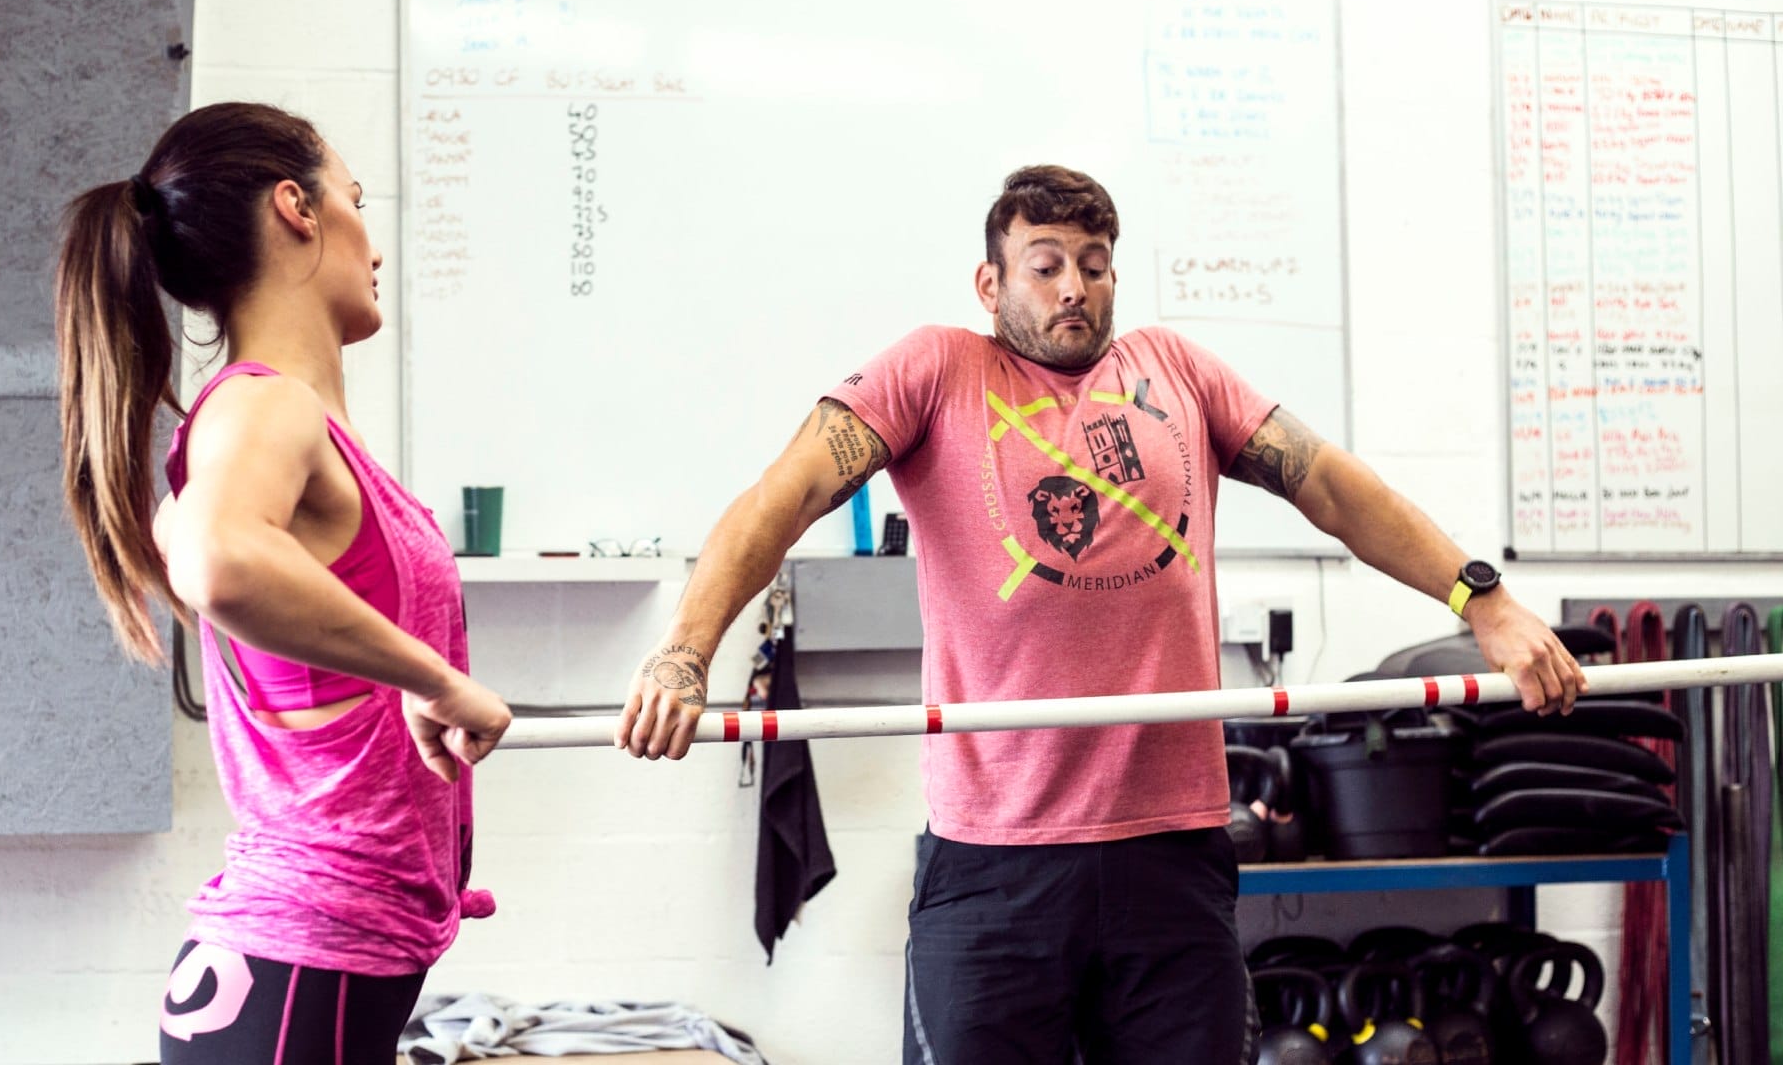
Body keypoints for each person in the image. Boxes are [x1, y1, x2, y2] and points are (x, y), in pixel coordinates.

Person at [618, 165, 1586, 1062]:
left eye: (1094, 265)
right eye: (1045, 266)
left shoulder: (1177, 372)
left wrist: (1482, 598)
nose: (1074, 286)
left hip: (1169, 864)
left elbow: (1326, 483)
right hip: (994, 869)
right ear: (990, 286)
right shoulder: (936, 373)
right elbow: (779, 498)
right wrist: (685, 653)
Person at [54, 102, 514, 1064]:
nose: (372, 239)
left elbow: (203, 544)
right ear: (297, 208)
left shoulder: (267, 428)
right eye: (356, 196)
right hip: (302, 980)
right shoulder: (267, 407)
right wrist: (433, 678)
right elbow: (218, 561)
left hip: (308, 979)